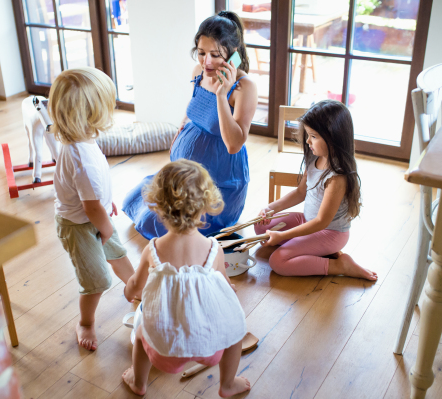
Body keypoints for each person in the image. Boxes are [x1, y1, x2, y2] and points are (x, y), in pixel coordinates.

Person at [122, 10, 258, 239]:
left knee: (155, 221)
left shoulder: (245, 87)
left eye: (215, 55)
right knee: (133, 200)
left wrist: (222, 95)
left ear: (233, 54)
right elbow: (194, 108)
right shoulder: (199, 72)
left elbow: (234, 144)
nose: (206, 62)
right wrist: (180, 132)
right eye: (201, 53)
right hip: (185, 175)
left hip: (217, 185)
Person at [122, 160, 251, 398]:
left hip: (164, 352)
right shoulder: (214, 248)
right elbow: (226, 287)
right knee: (235, 334)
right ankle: (228, 384)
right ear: (205, 207)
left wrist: (129, 292)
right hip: (211, 347)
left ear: (157, 207)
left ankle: (138, 382)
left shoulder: (153, 250)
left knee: (140, 334)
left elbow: (134, 287)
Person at [50, 67, 135, 351]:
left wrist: (104, 203)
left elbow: (90, 193)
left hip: (94, 216)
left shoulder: (83, 141)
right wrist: (106, 226)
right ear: (90, 113)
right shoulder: (81, 157)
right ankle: (85, 322)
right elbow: (89, 206)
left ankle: (140, 295)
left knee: (118, 255)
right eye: (107, 104)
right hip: (79, 226)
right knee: (97, 279)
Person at [255, 100, 377, 281]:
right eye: (307, 134)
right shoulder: (315, 157)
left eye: (313, 136)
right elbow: (300, 193)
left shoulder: (337, 177)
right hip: (308, 221)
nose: (307, 141)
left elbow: (321, 222)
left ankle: (339, 265)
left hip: (330, 233)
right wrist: (270, 208)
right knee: (260, 225)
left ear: (333, 137)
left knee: (278, 261)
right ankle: (309, 248)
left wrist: (283, 235)